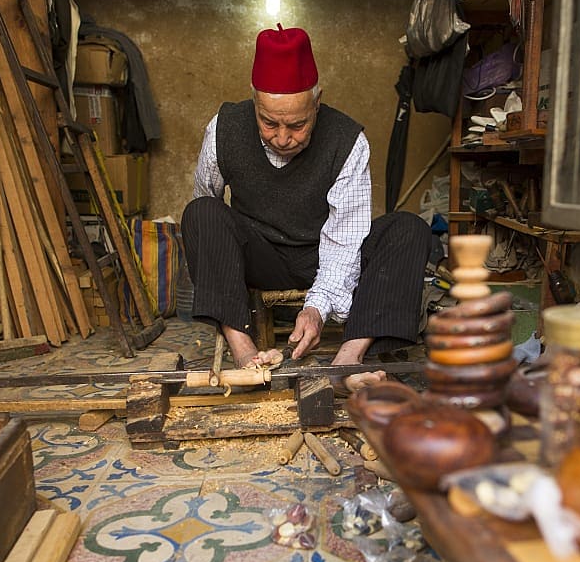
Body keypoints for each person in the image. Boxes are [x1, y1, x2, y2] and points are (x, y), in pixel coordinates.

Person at [182, 24, 430, 391]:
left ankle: (349, 357)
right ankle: (243, 350)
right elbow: (209, 202)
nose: (282, 138)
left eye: (297, 125)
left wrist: (316, 308)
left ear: (317, 103)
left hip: (324, 254)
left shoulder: (348, 141)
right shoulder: (224, 129)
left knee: (409, 229)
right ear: (255, 103)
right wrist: (224, 256)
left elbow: (345, 241)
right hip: (260, 256)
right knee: (201, 211)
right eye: (268, 123)